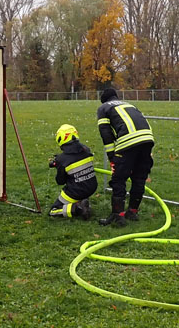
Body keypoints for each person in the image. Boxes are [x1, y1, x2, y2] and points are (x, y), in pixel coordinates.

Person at [96, 87, 154, 226]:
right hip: (148, 138)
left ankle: (118, 215)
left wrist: (112, 158)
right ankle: (132, 211)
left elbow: (106, 134)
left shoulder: (103, 108)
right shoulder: (129, 104)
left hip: (128, 140)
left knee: (118, 179)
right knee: (139, 177)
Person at [48, 124, 98, 220]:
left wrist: (58, 164)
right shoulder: (86, 149)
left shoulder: (62, 160)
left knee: (53, 211)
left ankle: (78, 208)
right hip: (92, 186)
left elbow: (60, 181)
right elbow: (75, 157)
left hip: (76, 191)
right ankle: (83, 201)